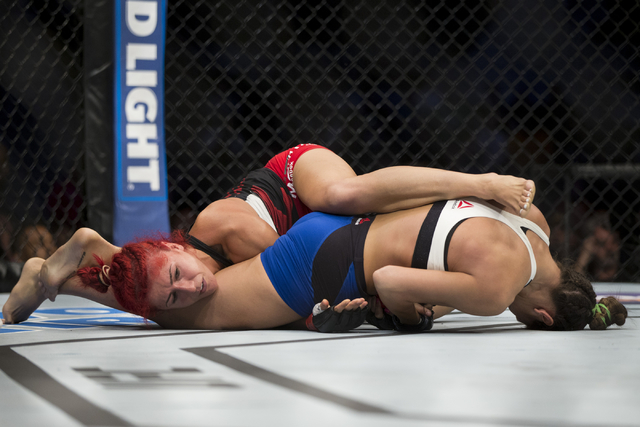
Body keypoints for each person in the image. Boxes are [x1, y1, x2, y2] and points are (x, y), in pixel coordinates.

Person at [2, 195, 627, 333]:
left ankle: (76, 274)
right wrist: (412, 315)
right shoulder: (496, 291)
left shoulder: (533, 221)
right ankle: (89, 263)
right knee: (185, 311)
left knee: (187, 289)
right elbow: (391, 282)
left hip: (343, 228)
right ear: (542, 316)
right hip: (331, 262)